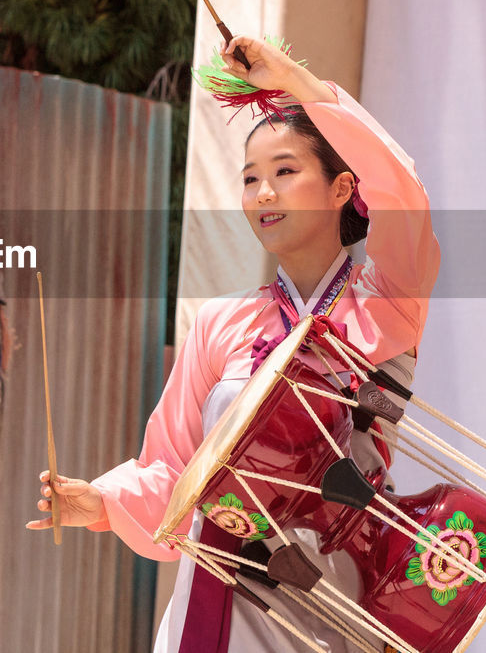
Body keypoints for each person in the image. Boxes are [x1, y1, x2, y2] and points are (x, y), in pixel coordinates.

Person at [26, 36, 440, 651]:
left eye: (284, 172)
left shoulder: (385, 305)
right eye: (250, 179)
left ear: (342, 189)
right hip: (213, 594)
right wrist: (104, 501)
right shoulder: (221, 324)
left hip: (332, 593)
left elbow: (403, 194)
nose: (263, 193)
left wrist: (297, 82)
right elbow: (173, 467)